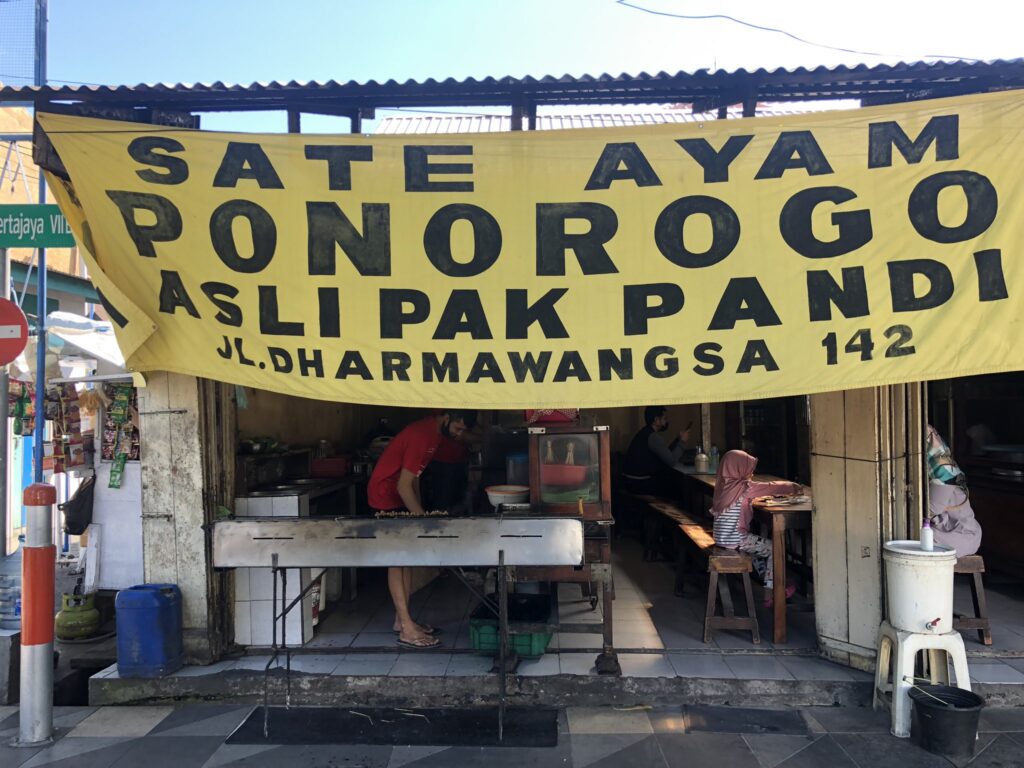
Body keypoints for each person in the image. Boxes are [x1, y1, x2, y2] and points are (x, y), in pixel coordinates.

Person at [367, 409, 477, 648]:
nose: (458, 435)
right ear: (447, 417)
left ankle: (402, 620)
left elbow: (414, 479)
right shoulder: (421, 435)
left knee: (406, 559)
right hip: (385, 497)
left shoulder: (435, 435)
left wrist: (420, 512)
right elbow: (403, 484)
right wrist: (421, 521)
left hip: (399, 497)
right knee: (397, 562)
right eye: (458, 428)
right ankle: (406, 629)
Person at [710, 450, 801, 606]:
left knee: (758, 552)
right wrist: (792, 487)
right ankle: (770, 593)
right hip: (736, 540)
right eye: (748, 468)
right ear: (738, 469)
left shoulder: (722, 487)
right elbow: (771, 488)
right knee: (775, 548)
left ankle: (772, 581)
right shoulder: (745, 487)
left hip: (721, 538)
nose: (751, 472)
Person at [925, 424, 981, 557]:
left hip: (960, 535)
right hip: (943, 532)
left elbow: (931, 510)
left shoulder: (944, 473)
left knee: (911, 539)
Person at [623, 406, 691, 495]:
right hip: (640, 484)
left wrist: (677, 440)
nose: (666, 421)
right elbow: (671, 461)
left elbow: (665, 454)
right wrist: (682, 442)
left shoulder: (644, 432)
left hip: (630, 481)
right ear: (656, 420)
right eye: (664, 418)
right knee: (677, 488)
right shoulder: (653, 437)